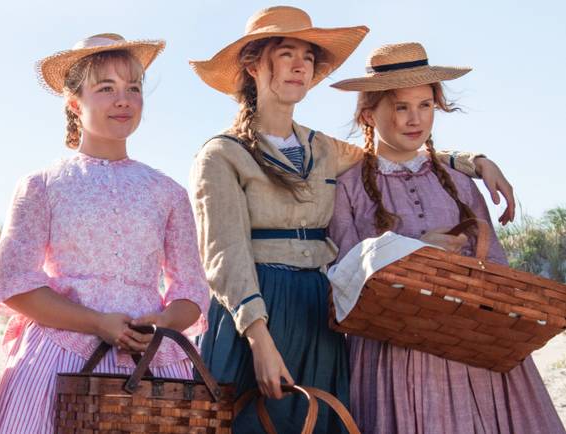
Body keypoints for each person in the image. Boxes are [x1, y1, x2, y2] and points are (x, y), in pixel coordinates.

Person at [189, 6, 516, 433]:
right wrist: (258, 338)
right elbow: (224, 255)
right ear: (252, 65)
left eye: (307, 57)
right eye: (286, 54)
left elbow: (397, 151)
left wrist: (471, 160)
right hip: (253, 307)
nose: (300, 66)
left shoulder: (323, 148)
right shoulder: (221, 155)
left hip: (317, 308)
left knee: (321, 422)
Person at [327, 41, 564, 434]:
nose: (414, 119)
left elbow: (497, 265)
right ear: (370, 115)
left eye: (425, 105)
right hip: (394, 350)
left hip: (473, 346)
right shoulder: (349, 187)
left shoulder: (458, 181)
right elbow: (343, 275)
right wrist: (414, 252)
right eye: (400, 107)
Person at [0, 33, 210, 433]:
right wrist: (98, 323)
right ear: (75, 103)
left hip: (149, 362)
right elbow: (16, 283)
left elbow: (191, 292)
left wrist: (158, 322)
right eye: (105, 88)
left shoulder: (169, 193)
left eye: (133, 89)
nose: (123, 100)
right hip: (58, 358)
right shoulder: (42, 185)